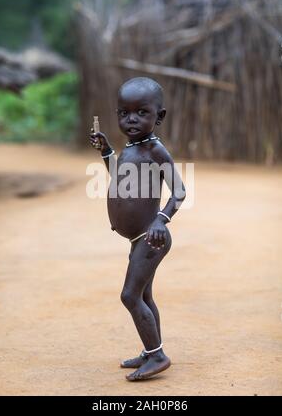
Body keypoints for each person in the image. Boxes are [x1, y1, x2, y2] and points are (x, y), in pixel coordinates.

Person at [90, 77, 186, 381]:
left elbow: (180, 191)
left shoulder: (155, 151)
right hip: (138, 237)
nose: (131, 119)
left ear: (159, 117)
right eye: (123, 113)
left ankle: (157, 355)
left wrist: (161, 219)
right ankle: (150, 350)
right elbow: (119, 176)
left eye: (141, 112)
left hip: (152, 236)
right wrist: (107, 152)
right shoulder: (133, 147)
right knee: (144, 296)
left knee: (130, 296)